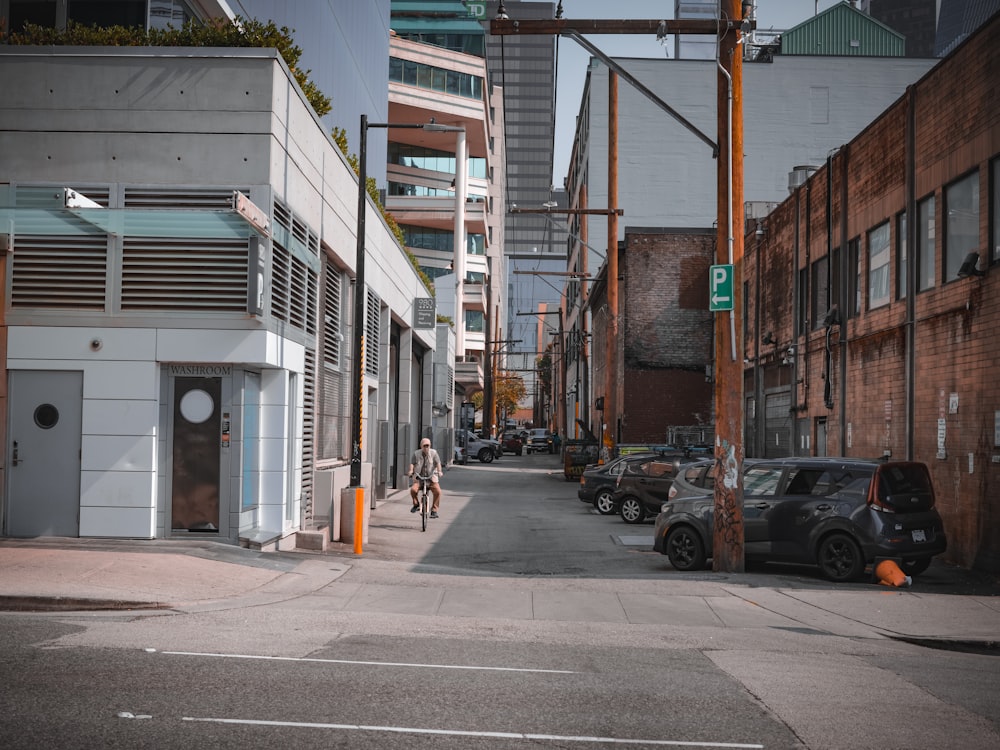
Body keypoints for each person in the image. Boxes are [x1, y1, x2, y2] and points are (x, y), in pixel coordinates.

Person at [408, 437, 443, 518]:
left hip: (431, 478)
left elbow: (438, 463)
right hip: (419, 478)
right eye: (425, 446)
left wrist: (439, 471)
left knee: (438, 491)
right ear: (421, 446)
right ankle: (416, 504)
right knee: (413, 490)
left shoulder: (434, 453)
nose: (426, 447)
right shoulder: (416, 454)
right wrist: (410, 471)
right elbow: (412, 463)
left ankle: (434, 510)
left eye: (428, 446)